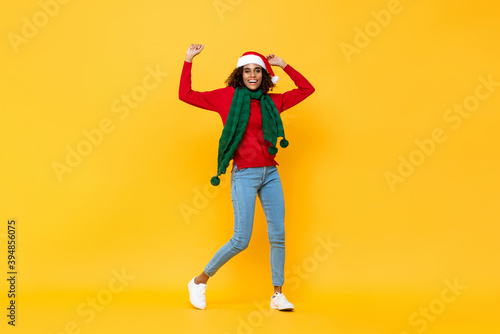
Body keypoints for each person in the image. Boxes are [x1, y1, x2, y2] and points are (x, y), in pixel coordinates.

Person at [179, 43, 315, 311]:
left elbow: (306, 90)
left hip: (271, 173)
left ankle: (278, 295)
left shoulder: (272, 102)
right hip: (244, 174)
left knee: (278, 234)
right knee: (241, 239)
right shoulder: (226, 98)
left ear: (265, 76)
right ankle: (199, 281)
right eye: (246, 71)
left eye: (258, 71)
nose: (252, 75)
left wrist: (283, 65)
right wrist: (188, 60)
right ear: (239, 75)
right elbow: (186, 94)